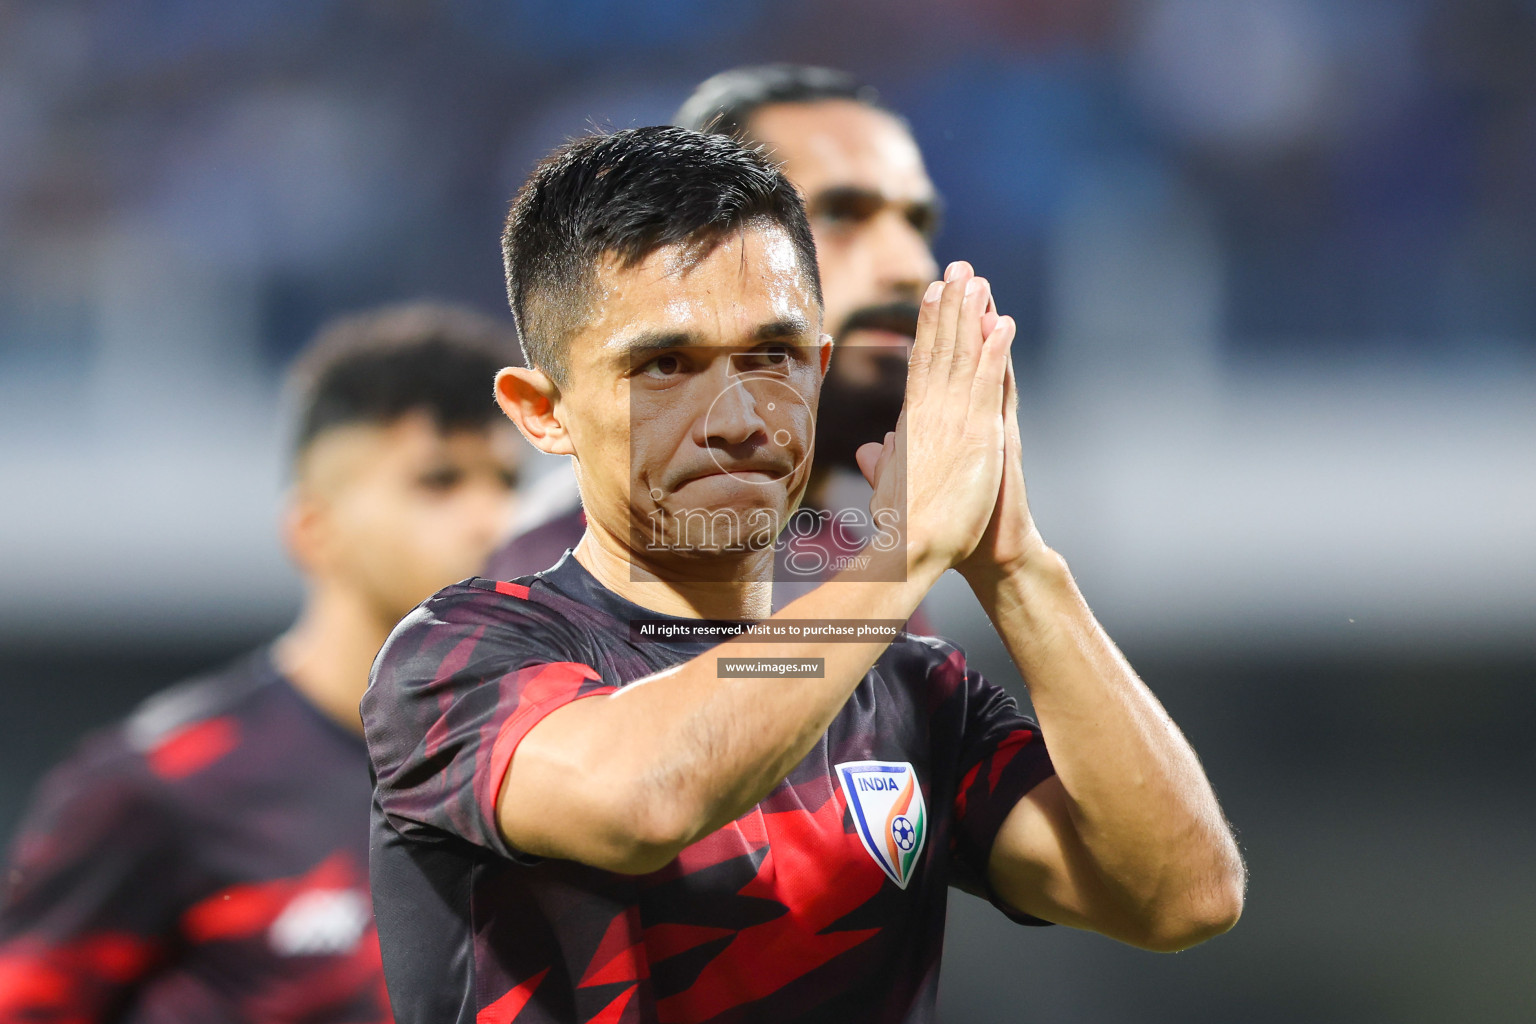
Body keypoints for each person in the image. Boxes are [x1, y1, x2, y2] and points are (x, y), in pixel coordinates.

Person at [362, 127, 1245, 1024]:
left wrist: (1016, 567)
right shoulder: (457, 658)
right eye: (666, 365)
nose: (739, 417)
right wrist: (899, 553)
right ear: (542, 411)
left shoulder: (909, 687)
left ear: (819, 372)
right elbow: (644, 800)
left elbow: (1181, 899)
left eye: (773, 355)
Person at [0, 303, 528, 1022]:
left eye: (506, 482)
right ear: (314, 530)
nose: (493, 520)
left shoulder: (544, 779)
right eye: (438, 482)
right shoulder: (160, 788)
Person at [485, 66, 940, 617]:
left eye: (916, 223)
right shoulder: (559, 572)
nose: (911, 267)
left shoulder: (845, 555)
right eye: (842, 214)